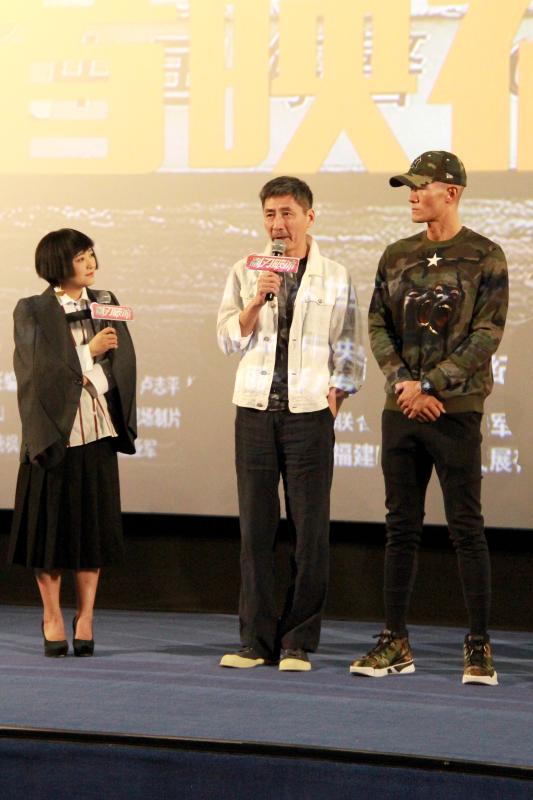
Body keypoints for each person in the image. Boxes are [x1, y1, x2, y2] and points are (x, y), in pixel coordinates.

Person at [349, 151, 508, 686]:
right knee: (400, 528)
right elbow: (377, 323)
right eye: (409, 188)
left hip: (454, 410)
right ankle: (394, 641)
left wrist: (432, 384)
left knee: (466, 528)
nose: (413, 196)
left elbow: (487, 334)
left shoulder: (486, 255)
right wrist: (404, 383)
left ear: (452, 192)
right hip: (402, 409)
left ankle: (479, 644)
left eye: (421, 187)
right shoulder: (396, 255)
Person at [217, 176, 364, 671]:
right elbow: (226, 339)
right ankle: (255, 641)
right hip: (254, 410)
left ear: (308, 216)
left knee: (309, 531)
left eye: (287, 213)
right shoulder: (246, 270)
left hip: (308, 414)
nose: (277, 224)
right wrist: (255, 302)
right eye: (269, 214)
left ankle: (298, 640)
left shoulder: (335, 275)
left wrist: (336, 398)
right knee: (256, 531)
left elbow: (349, 343)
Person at [7, 228, 136, 657]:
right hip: (52, 435)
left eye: (91, 255)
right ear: (58, 264)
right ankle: (51, 617)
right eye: (81, 257)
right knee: (49, 534)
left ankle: (86, 617)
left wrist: (95, 369)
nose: (91, 263)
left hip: (96, 431)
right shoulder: (31, 309)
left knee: (91, 533)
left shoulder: (106, 302)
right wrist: (87, 355)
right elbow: (35, 372)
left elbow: (123, 362)